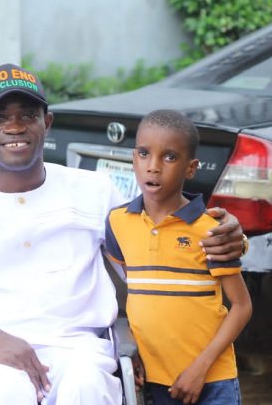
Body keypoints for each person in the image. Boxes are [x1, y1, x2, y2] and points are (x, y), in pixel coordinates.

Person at [0, 64, 247, 405]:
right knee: (8, 393)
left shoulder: (94, 191)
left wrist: (228, 232)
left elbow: (163, 228)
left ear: (46, 123)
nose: (15, 127)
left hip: (77, 348)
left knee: (87, 385)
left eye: (27, 116)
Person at [105, 109, 253, 405]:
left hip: (211, 379)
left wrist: (200, 369)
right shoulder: (118, 223)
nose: (154, 167)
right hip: (157, 380)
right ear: (133, 158)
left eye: (169, 157)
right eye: (144, 153)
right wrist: (133, 350)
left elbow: (241, 306)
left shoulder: (212, 231)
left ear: (191, 168)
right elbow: (131, 293)